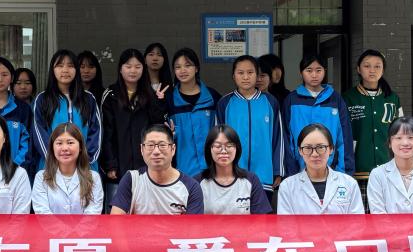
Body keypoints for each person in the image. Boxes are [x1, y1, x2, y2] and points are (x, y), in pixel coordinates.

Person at [216, 55, 283, 196]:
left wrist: (278, 170)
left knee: (262, 211)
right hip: (232, 175)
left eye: (250, 72)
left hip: (264, 175)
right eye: (240, 73)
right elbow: (217, 141)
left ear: (257, 75)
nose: (245, 77)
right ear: (233, 76)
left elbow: (279, 139)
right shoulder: (225, 103)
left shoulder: (270, 102)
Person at [101, 48, 168, 186]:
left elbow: (157, 128)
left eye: (137, 67)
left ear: (143, 69)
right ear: (120, 69)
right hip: (119, 167)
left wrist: (159, 102)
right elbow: (106, 133)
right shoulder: (111, 95)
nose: (133, 71)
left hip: (146, 167)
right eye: (128, 66)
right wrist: (110, 164)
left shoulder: (149, 94)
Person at [282, 54, 354, 177]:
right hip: (299, 171)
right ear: (301, 73)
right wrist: (292, 172)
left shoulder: (335, 99)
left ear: (324, 71)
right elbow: (286, 139)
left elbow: (345, 138)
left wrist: (344, 172)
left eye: (318, 70)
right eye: (309, 70)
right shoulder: (291, 100)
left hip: (332, 171)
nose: (314, 75)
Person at [110, 124, 204, 215]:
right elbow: (116, 221)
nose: (156, 151)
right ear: (142, 149)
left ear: (173, 149)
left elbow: (193, 225)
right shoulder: (132, 179)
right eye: (150, 145)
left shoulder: (191, 187)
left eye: (162, 145)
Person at [32, 50, 101, 169]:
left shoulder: (88, 99)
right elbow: (39, 134)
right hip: (51, 167)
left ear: (76, 70)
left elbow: (96, 133)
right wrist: (55, 159)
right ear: (52, 70)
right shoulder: (43, 99)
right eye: (60, 65)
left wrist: (86, 160)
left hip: (85, 167)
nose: (65, 70)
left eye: (70, 66)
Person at [277, 124, 364, 214]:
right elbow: (286, 222)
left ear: (331, 149)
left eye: (321, 147)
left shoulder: (349, 184)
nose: (314, 154)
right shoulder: (287, 186)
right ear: (300, 150)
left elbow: (357, 221)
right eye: (308, 148)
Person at [343, 49, 403, 175]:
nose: (372, 70)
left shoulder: (392, 98)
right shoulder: (347, 98)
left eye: (377, 66)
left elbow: (401, 131)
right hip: (358, 167)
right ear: (358, 69)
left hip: (388, 166)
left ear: (383, 70)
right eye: (367, 66)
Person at [168, 48, 221, 179]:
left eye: (188, 65)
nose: (183, 70)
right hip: (182, 172)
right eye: (178, 67)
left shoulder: (213, 97)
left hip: (213, 170)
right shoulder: (169, 100)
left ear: (196, 68)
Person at [31, 123, 104, 215]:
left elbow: (93, 213)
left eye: (70, 143)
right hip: (49, 225)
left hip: (85, 226)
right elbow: (42, 212)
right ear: (52, 148)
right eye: (59, 143)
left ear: (80, 147)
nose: (64, 148)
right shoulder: (41, 177)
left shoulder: (93, 178)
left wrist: (75, 226)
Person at [199, 125, 272, 215]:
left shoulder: (251, 180)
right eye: (218, 146)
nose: (223, 151)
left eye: (229, 146)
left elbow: (262, 219)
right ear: (209, 149)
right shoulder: (198, 182)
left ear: (237, 149)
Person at [0, 57, 31, 169]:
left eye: (4, 75)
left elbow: (27, 141)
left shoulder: (23, 109)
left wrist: (15, 166)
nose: (0, 79)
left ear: (12, 78)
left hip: (16, 170)